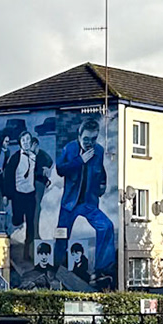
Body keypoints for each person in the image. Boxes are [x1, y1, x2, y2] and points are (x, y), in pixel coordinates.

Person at [55, 115, 116, 288]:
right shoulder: (70, 149)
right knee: (62, 234)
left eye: (93, 139)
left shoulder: (98, 151)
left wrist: (102, 186)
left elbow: (101, 171)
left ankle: (102, 269)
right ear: (79, 136)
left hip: (89, 202)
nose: (90, 143)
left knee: (107, 226)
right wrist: (80, 161)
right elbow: (60, 169)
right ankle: (56, 266)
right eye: (86, 139)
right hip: (70, 203)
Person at [0, 130, 52, 264]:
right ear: (20, 143)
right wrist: (6, 195)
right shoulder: (15, 157)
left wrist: (46, 180)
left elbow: (37, 173)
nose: (26, 142)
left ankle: (26, 252)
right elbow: (7, 176)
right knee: (17, 220)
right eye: (24, 140)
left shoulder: (34, 157)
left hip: (30, 195)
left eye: (28, 140)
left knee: (30, 224)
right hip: (18, 195)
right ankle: (15, 223)